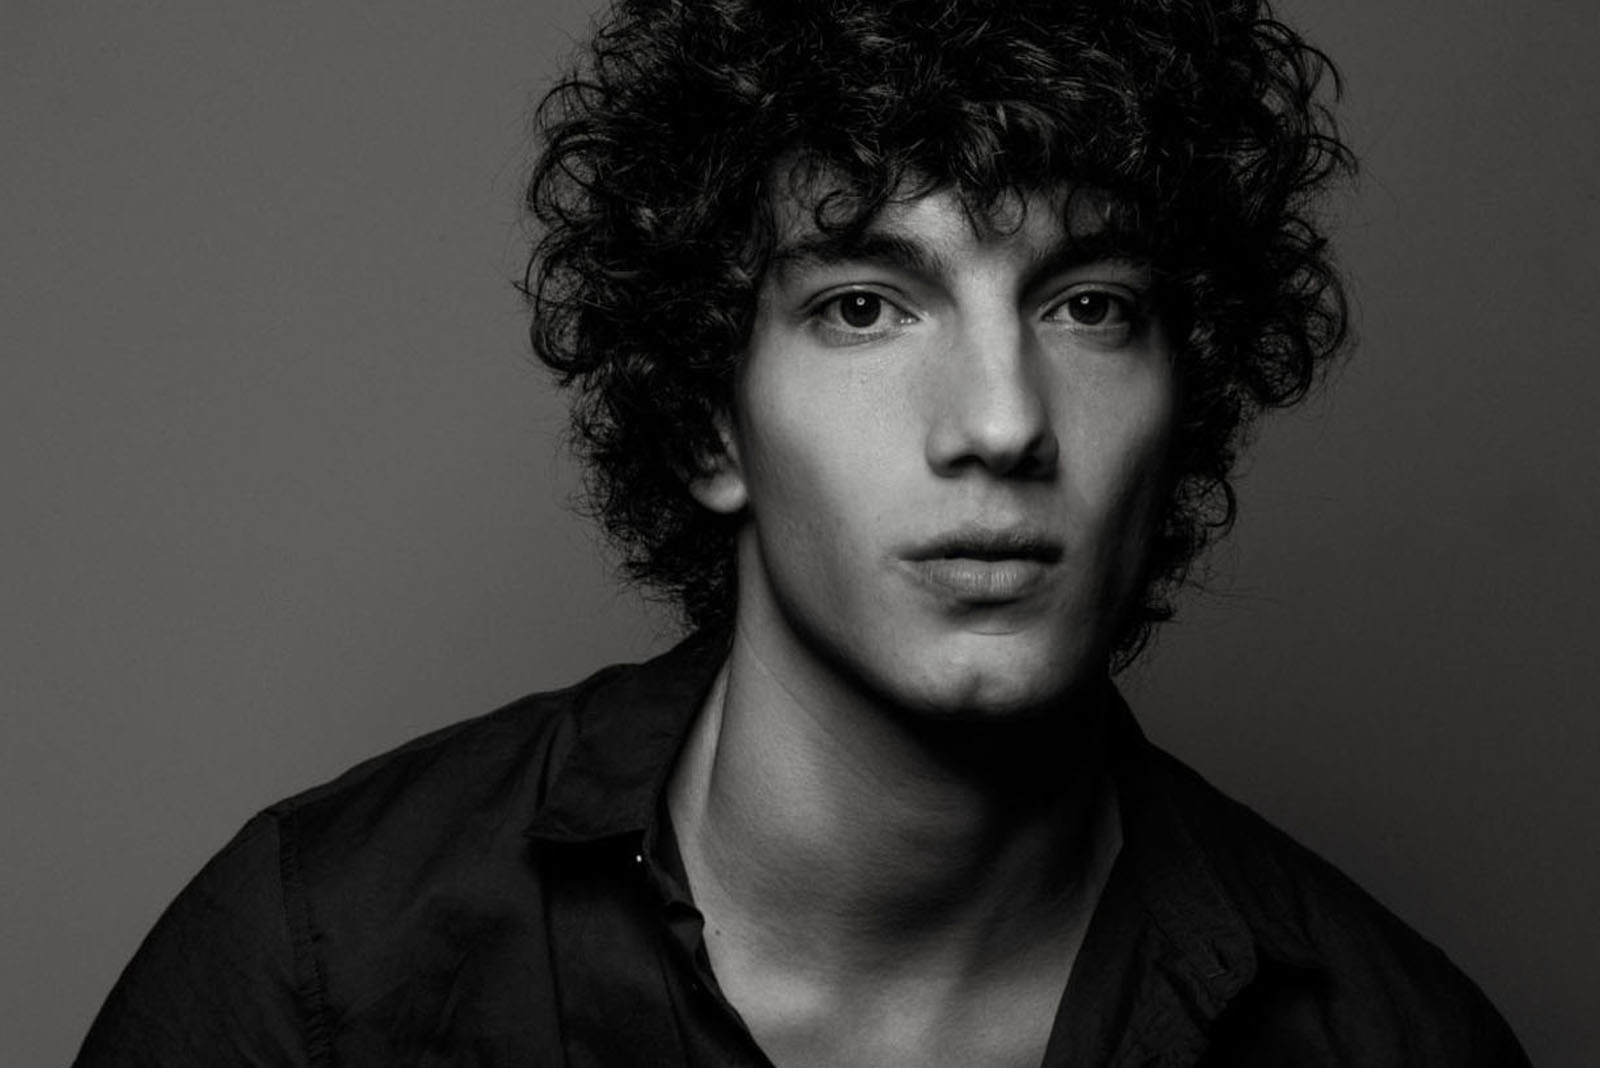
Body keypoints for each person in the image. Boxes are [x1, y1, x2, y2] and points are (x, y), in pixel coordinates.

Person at [75, 0, 1531, 1064]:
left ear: (1183, 401)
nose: (1002, 421)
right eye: (865, 307)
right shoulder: (320, 965)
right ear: (709, 425)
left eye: (1089, 306)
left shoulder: (1392, 1039)